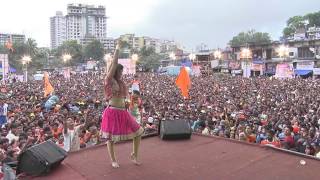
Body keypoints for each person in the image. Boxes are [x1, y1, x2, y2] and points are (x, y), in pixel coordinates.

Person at [101, 42, 144, 168]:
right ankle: (113, 160)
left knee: (139, 132)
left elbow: (125, 97)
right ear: (114, 71)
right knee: (110, 138)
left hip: (123, 112)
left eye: (122, 71)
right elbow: (114, 63)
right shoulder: (109, 80)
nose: (121, 73)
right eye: (119, 71)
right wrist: (117, 48)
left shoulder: (121, 83)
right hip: (112, 112)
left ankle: (134, 155)